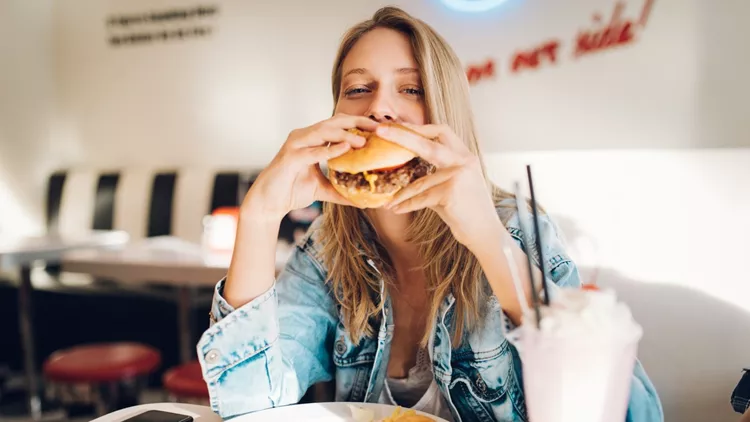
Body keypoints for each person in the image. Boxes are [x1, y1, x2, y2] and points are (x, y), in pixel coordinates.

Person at [197, 6, 663, 421]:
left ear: (444, 112)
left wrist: (489, 240)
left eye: (412, 88)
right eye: (358, 88)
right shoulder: (328, 250)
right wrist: (258, 216)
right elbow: (247, 406)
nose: (380, 107)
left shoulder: (517, 230)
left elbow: (634, 413)